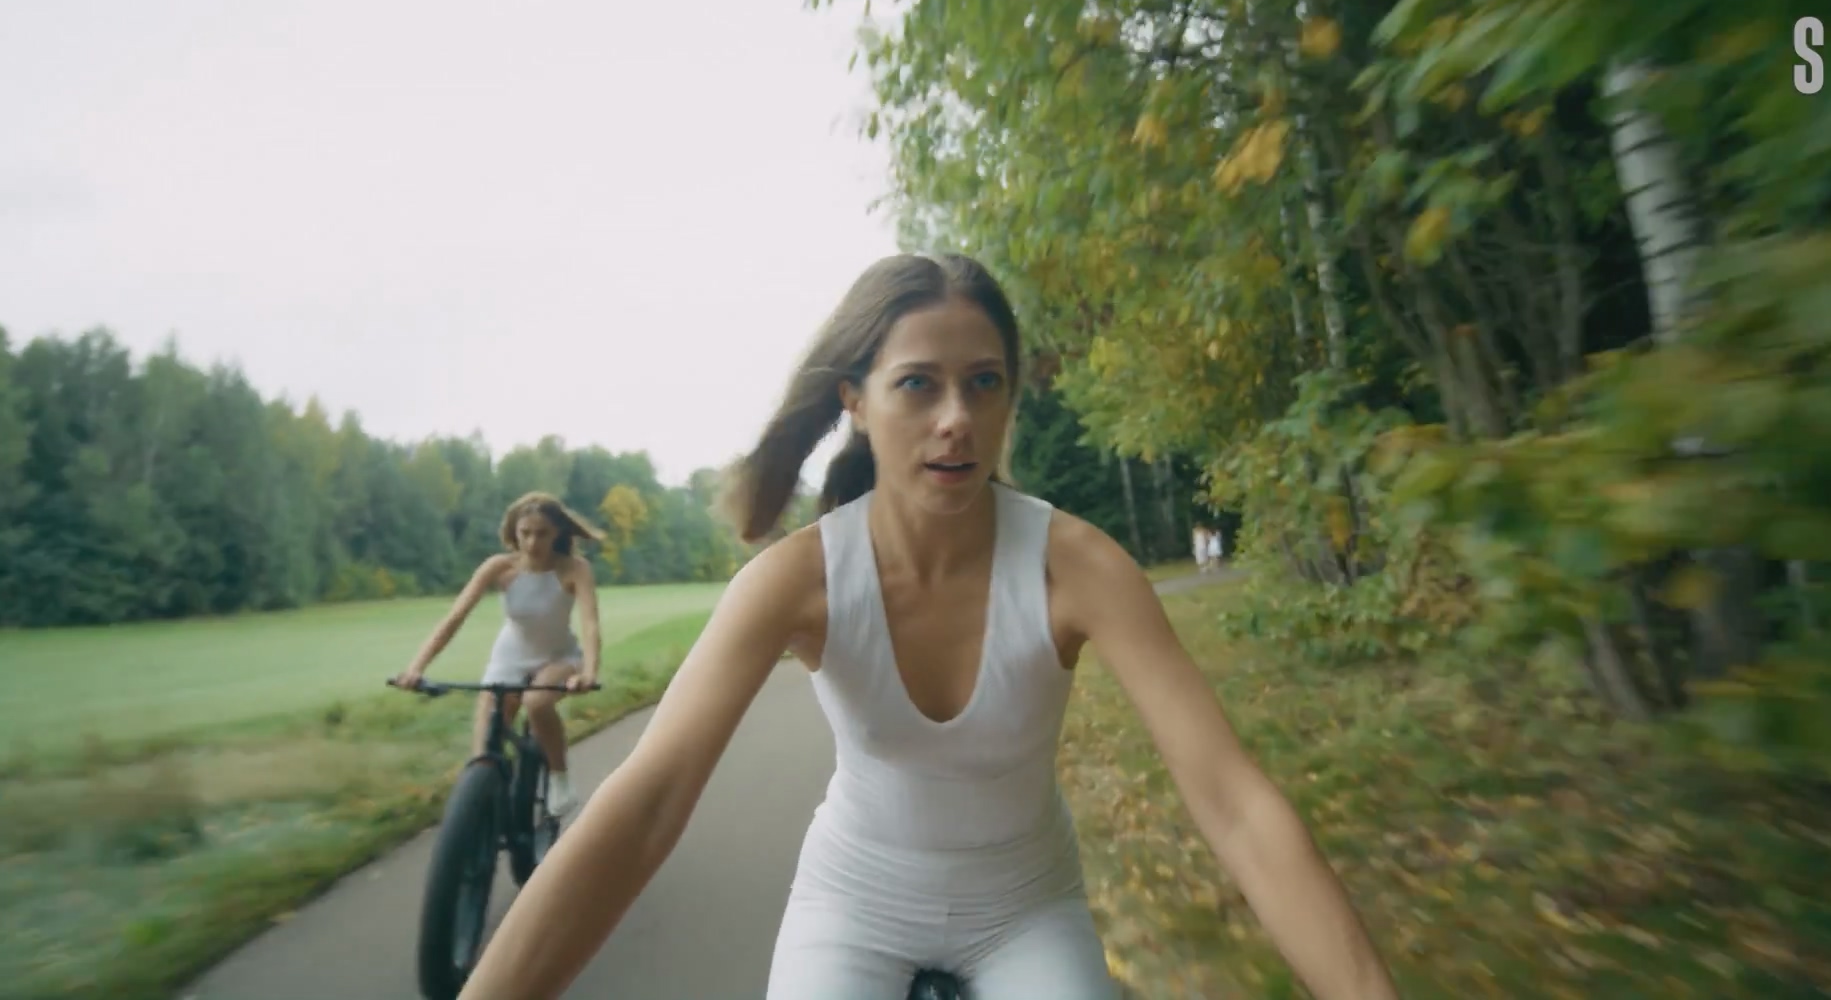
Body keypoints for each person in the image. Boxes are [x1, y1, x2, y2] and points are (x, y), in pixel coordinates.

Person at [453, 254, 1399, 999]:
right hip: (851, 905)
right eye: (918, 385)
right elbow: (649, 804)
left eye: (985, 382)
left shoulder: (1080, 566)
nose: (958, 418)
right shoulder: (794, 580)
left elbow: (1233, 802)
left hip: (1030, 909)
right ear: (855, 403)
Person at [393, 491, 606, 817]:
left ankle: (559, 777)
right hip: (509, 656)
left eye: (542, 533)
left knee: (537, 702)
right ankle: (486, 808)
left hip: (558, 656)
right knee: (482, 753)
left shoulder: (574, 569)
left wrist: (589, 673)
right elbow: (455, 618)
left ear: (558, 533)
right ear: (513, 532)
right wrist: (415, 668)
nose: (532, 542)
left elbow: (590, 624)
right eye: (525, 533)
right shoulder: (499, 567)